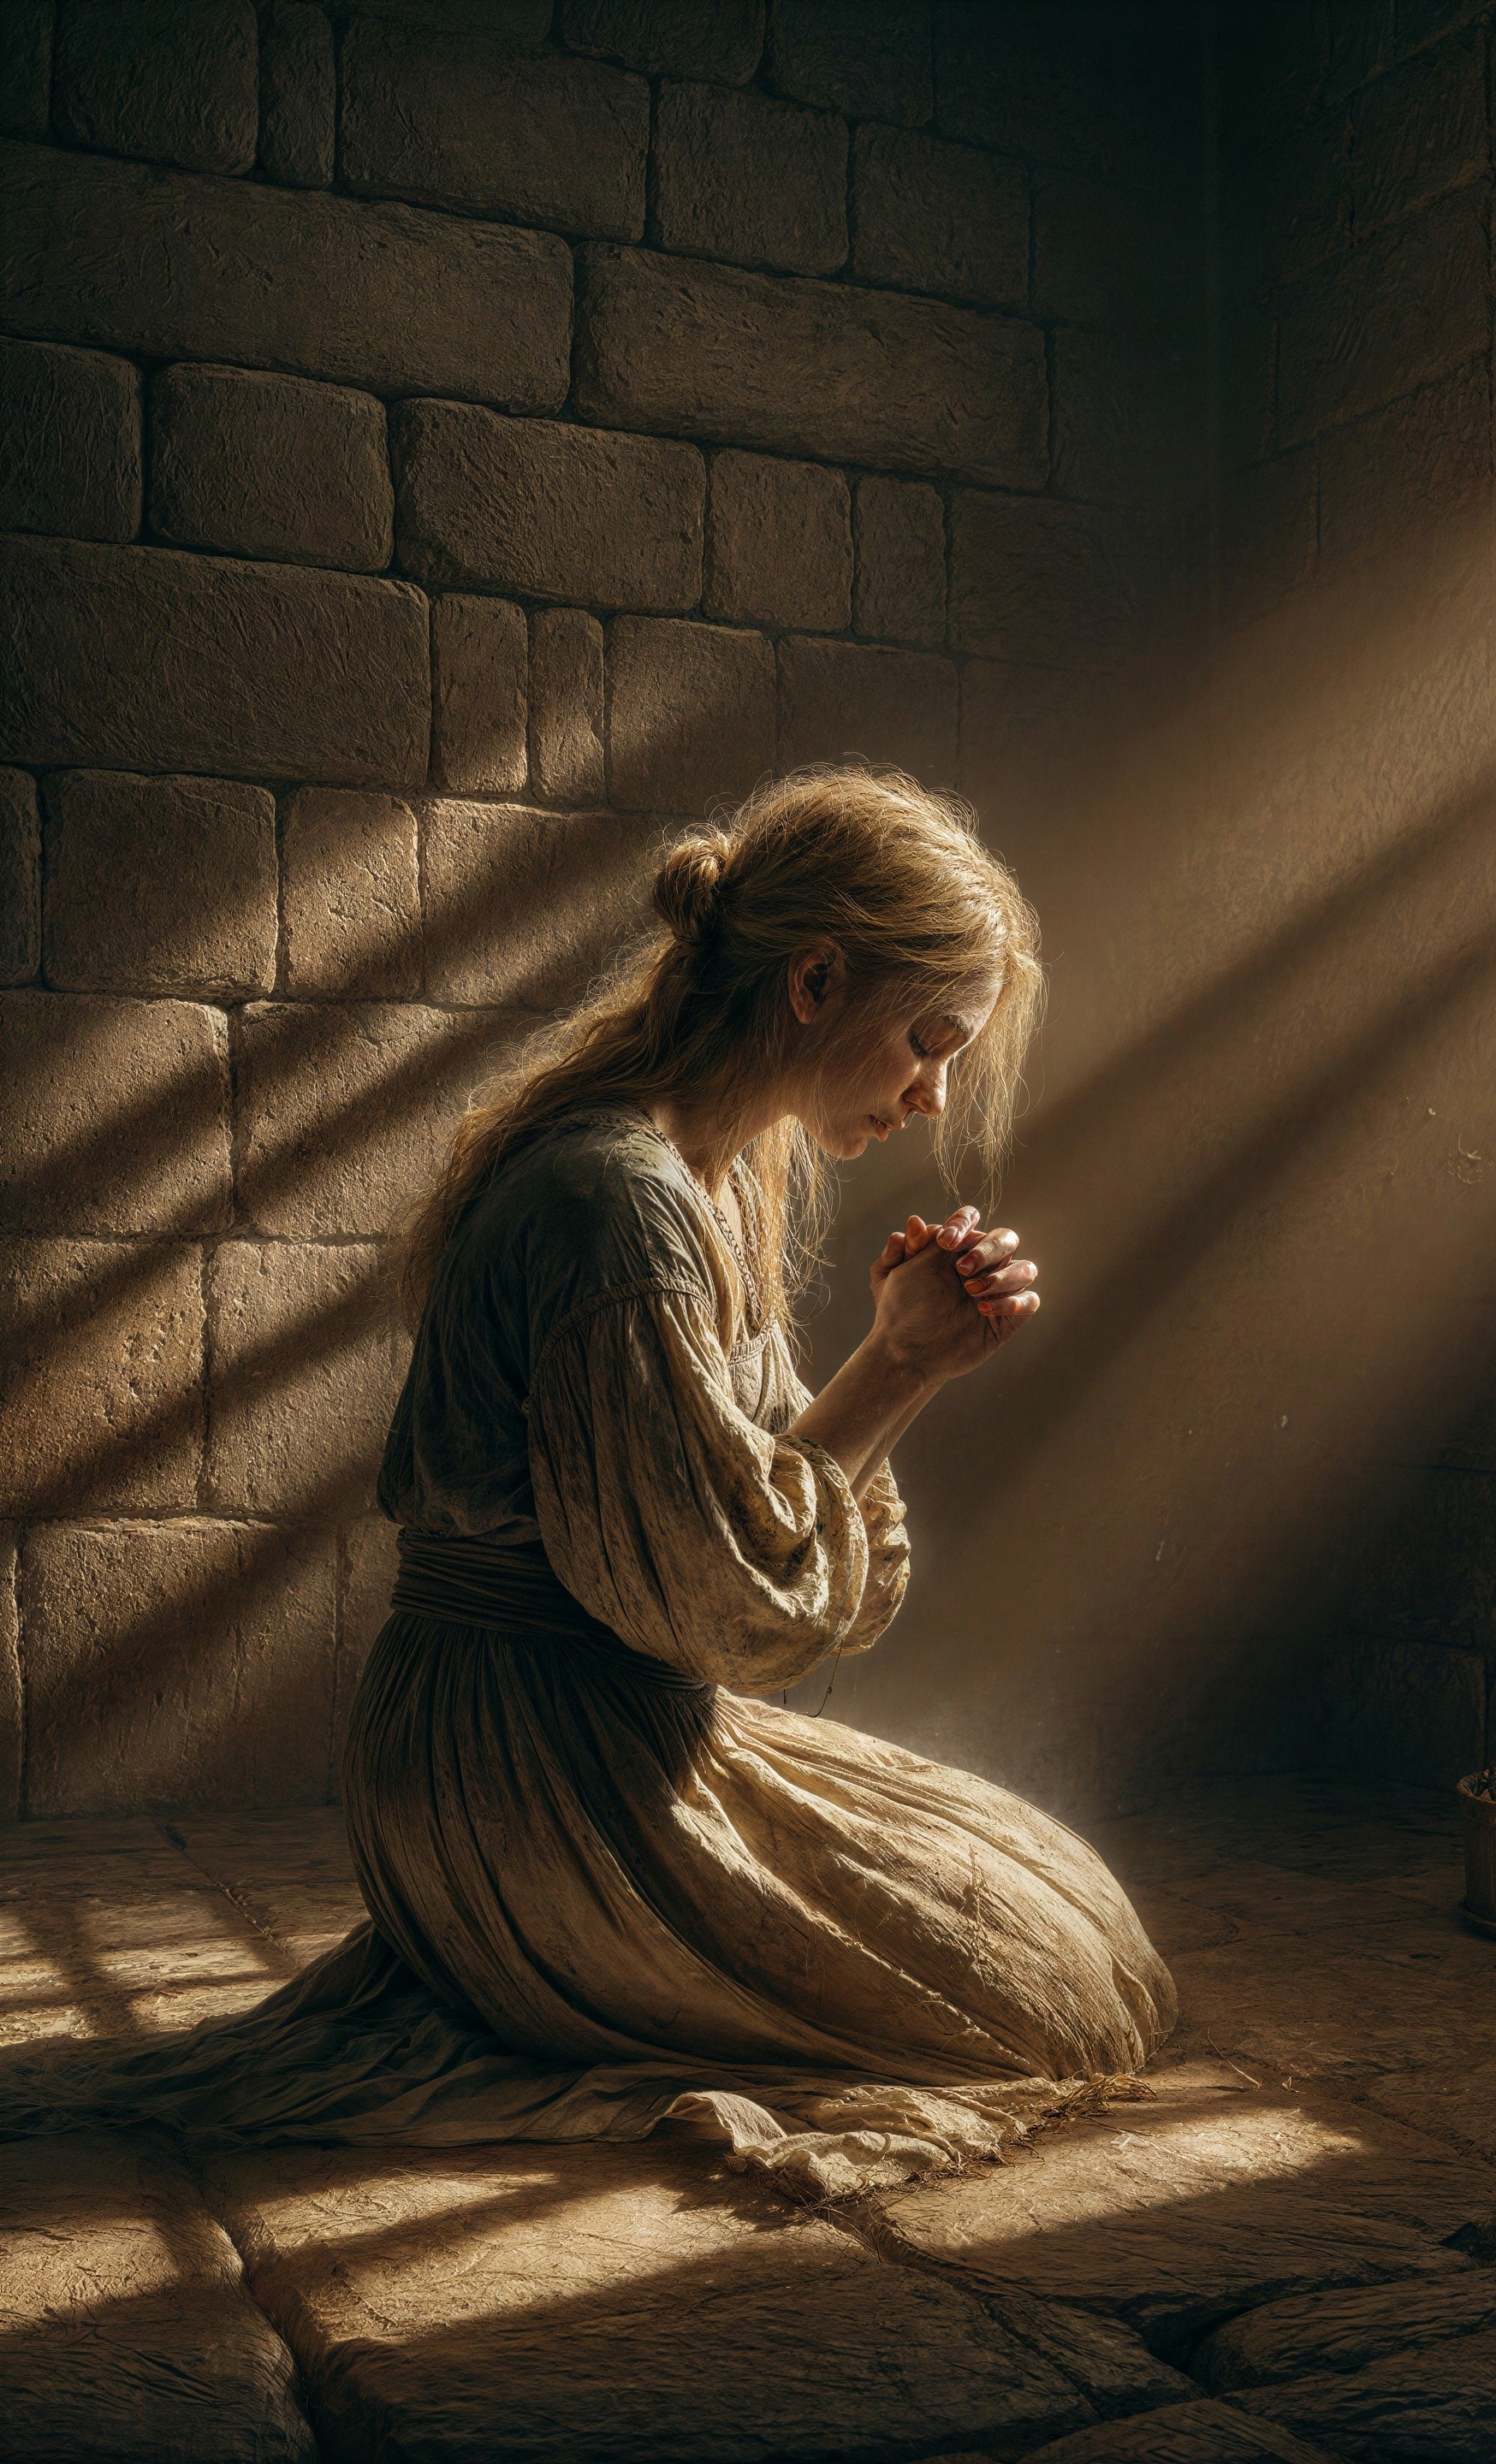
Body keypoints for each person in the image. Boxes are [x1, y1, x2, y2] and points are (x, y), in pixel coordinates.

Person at [1, 767, 1175, 2201]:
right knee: (1045, 1999)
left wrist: (900, 1360)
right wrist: (902, 1368)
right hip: (519, 1761)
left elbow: (731, 1527)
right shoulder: (610, 1200)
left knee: (1083, 1932)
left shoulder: (717, 1178)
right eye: (927, 1044)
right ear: (816, 980)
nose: (932, 1098)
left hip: (611, 1715)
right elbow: (718, 1610)